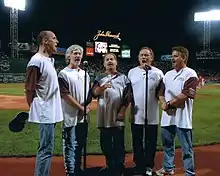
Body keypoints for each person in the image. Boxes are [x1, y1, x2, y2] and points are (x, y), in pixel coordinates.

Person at [24, 30, 63, 176]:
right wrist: (36, 110)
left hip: (50, 111)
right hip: (45, 112)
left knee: (47, 148)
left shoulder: (47, 60)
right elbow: (29, 89)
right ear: (45, 41)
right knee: (46, 149)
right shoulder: (36, 61)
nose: (57, 41)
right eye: (54, 38)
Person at [156, 46, 198, 176]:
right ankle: (168, 168)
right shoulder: (168, 74)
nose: (172, 58)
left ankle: (189, 172)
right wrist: (163, 103)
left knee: (186, 148)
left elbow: (186, 94)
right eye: (172, 56)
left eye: (175, 56)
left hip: (182, 118)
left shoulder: (190, 73)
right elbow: (160, 92)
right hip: (167, 117)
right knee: (167, 145)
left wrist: (168, 105)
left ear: (184, 57)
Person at [92, 53, 131, 176]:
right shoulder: (99, 77)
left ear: (116, 62)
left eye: (112, 59)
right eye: (107, 59)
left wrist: (122, 111)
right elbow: (94, 93)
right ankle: (109, 165)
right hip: (104, 116)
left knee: (119, 143)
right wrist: (102, 88)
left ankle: (119, 166)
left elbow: (128, 96)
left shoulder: (124, 78)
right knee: (105, 143)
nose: (109, 61)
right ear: (104, 63)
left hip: (117, 115)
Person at [128, 47, 164, 176]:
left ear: (152, 58)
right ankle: (138, 164)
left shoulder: (158, 73)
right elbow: (128, 92)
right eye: (142, 55)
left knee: (151, 141)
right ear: (138, 58)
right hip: (136, 114)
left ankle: (149, 165)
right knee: (136, 141)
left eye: (146, 55)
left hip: (152, 114)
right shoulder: (132, 72)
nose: (144, 58)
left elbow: (161, 91)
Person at [58, 45, 91, 176]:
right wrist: (81, 108)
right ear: (68, 56)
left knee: (80, 144)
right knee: (69, 144)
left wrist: (86, 106)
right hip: (69, 115)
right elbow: (65, 95)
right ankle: (70, 172)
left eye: (79, 54)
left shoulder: (85, 73)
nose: (77, 56)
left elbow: (88, 93)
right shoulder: (63, 73)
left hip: (83, 116)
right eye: (75, 53)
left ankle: (78, 168)